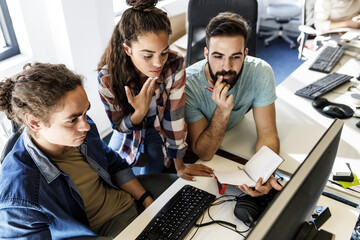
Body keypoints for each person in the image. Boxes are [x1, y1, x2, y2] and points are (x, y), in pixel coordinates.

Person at [0, 63, 175, 239]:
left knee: (192, 193)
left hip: (128, 202)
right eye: (73, 119)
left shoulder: (82, 129)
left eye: (85, 112)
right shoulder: (19, 196)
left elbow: (113, 163)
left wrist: (146, 199)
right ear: (35, 123)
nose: (85, 125)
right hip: (102, 232)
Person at [97, 0, 213, 180]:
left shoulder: (174, 64)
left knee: (152, 178)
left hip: (157, 127)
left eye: (164, 52)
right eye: (147, 55)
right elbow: (119, 126)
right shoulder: (107, 79)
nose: (159, 63)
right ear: (128, 49)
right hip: (128, 129)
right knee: (111, 176)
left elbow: (174, 117)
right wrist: (139, 112)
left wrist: (180, 166)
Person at [185, 12, 282, 197]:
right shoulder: (189, 85)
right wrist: (222, 111)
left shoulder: (260, 72)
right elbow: (204, 153)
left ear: (245, 54)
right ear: (206, 54)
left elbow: (268, 134)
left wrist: (265, 174)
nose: (226, 67)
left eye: (235, 57)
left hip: (234, 143)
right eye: (218, 56)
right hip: (205, 159)